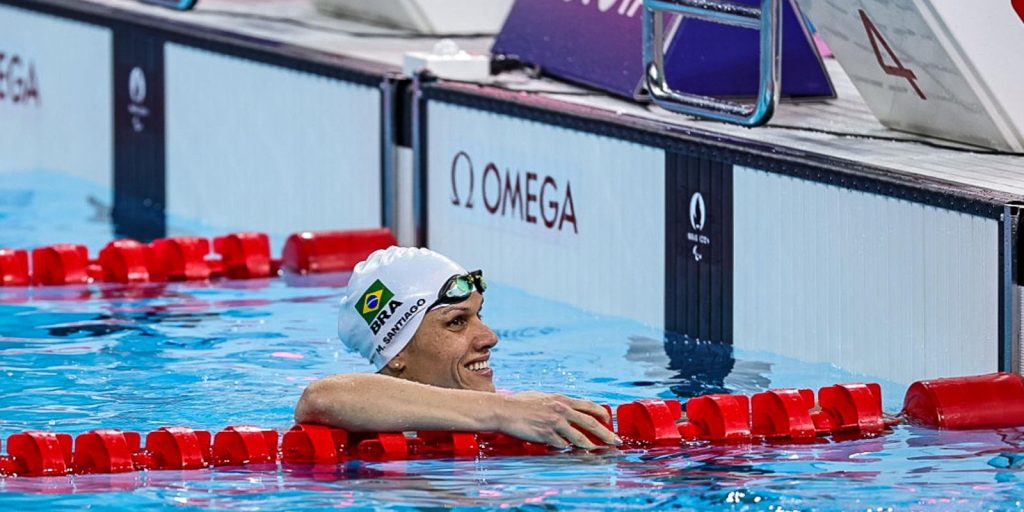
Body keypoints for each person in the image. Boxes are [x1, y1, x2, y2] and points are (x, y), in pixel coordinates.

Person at [294, 246, 620, 450]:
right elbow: (322, 397)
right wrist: (504, 411)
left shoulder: (532, 412)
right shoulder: (509, 412)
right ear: (398, 354)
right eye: (456, 322)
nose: (489, 337)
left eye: (479, 315)